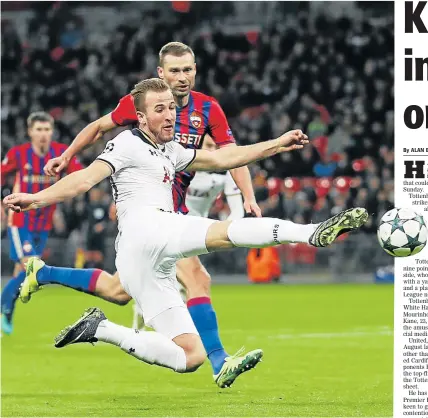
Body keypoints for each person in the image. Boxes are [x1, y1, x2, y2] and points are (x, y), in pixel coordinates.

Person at [4, 79, 368, 385]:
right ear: (142, 116)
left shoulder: (172, 150)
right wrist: (36, 199)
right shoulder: (128, 143)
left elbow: (225, 158)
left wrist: (277, 144)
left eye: (171, 108)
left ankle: (100, 330)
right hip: (145, 232)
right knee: (224, 233)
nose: (169, 115)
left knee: (189, 357)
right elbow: (84, 180)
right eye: (159, 109)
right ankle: (311, 232)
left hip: (148, 262)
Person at [34, 41, 262, 386]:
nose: (182, 77)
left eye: (188, 70)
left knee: (118, 290)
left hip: (173, 208)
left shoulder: (208, 109)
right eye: (175, 71)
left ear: (196, 70)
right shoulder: (141, 104)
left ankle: (44, 272)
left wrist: (247, 194)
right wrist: (66, 156)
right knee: (198, 279)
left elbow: (229, 155)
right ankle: (219, 362)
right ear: (161, 73)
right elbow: (98, 127)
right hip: (146, 214)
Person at [132, 135, 244, 329]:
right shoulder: (178, 163)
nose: (213, 150)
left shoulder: (225, 172)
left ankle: (141, 320)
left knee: (173, 285)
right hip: (169, 229)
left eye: (216, 146)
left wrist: (225, 233)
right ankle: (195, 343)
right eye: (208, 145)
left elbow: (237, 212)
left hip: (196, 234)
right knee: (195, 281)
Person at [0, 112, 83, 335]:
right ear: (30, 132)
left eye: (47, 129)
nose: (43, 134)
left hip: (43, 223)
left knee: (23, 272)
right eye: (38, 130)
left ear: (52, 131)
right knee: (31, 264)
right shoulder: (18, 154)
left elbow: (80, 175)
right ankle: (4, 305)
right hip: (20, 220)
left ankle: (7, 308)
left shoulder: (59, 154)